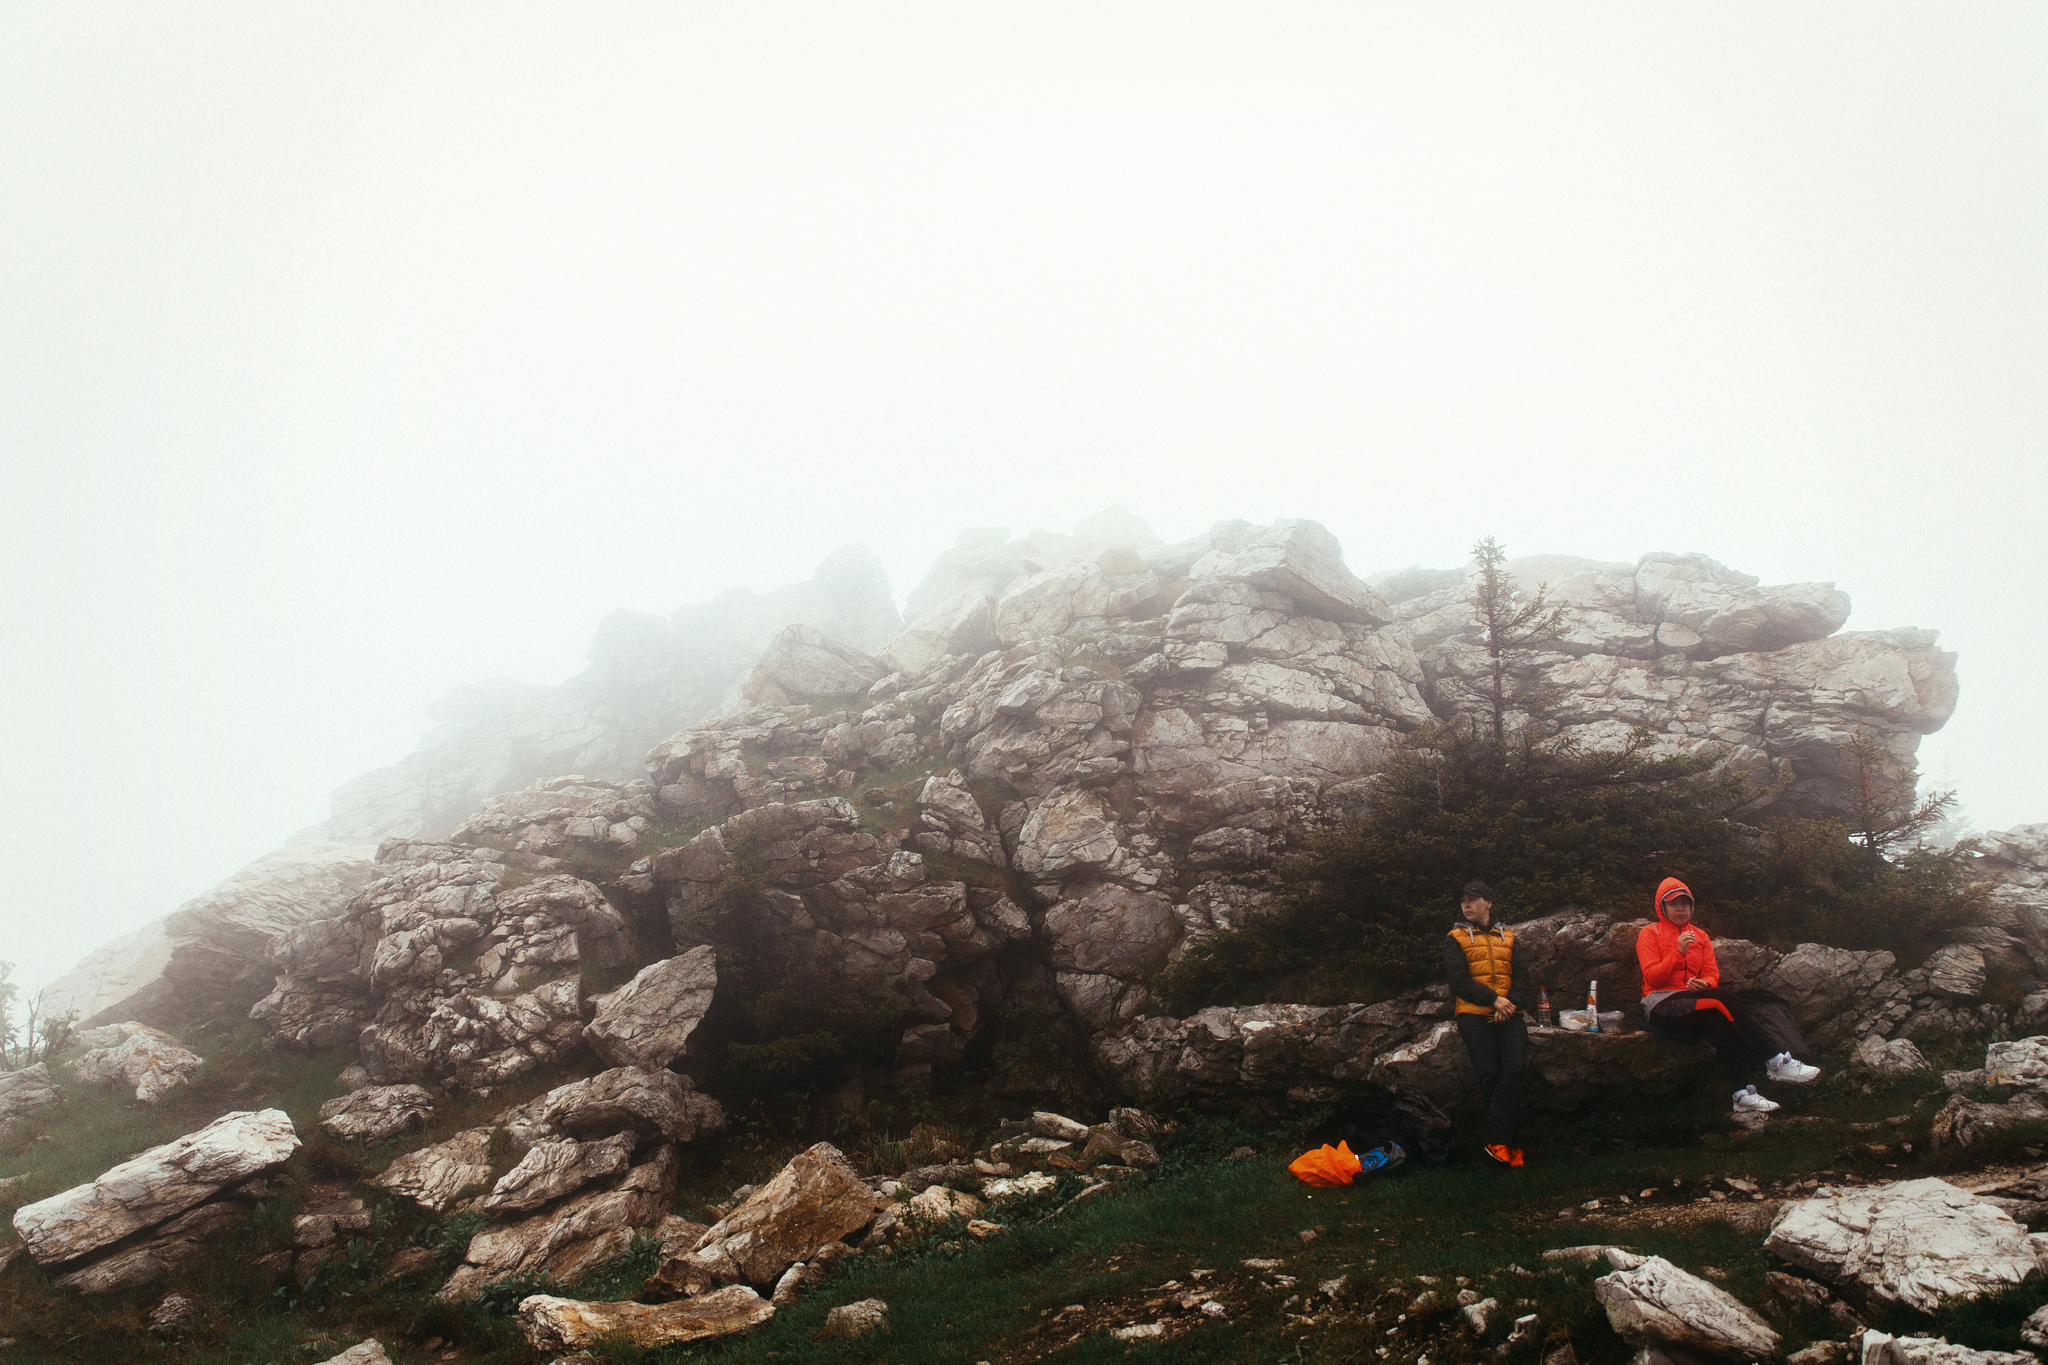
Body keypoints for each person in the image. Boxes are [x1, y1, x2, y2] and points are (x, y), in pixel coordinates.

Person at [1637, 877, 1821, 1115]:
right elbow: (1652, 978)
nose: (1680, 908)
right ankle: (1775, 1061)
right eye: (1673, 904)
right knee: (1723, 998)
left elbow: (1712, 973)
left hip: (1691, 1001)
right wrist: (1678, 953)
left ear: (1692, 906)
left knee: (1719, 1021)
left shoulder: (1700, 936)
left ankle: (1742, 1095)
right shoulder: (1649, 933)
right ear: (1662, 908)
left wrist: (1706, 983)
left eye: (1685, 903)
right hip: (1660, 1004)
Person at [1443, 880, 1531, 1167]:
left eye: (1473, 899)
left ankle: (1501, 1142)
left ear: (1489, 903)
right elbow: (1458, 982)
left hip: (1510, 1013)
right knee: (1490, 1075)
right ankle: (1505, 1144)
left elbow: (1522, 976)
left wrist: (1510, 1003)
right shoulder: (1455, 937)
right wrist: (1494, 999)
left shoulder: (1509, 936)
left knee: (1515, 1071)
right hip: (1473, 1014)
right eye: (1463, 900)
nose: (1466, 905)